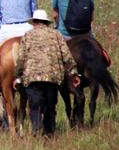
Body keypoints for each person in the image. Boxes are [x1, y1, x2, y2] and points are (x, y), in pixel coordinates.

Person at [14, 9, 80, 137]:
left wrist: (18, 75)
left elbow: (21, 58)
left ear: (34, 22)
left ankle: (37, 130)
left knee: (35, 105)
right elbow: (66, 55)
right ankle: (49, 132)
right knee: (50, 105)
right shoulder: (56, 34)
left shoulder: (28, 35)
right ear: (46, 22)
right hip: (53, 77)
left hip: (32, 77)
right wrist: (74, 72)